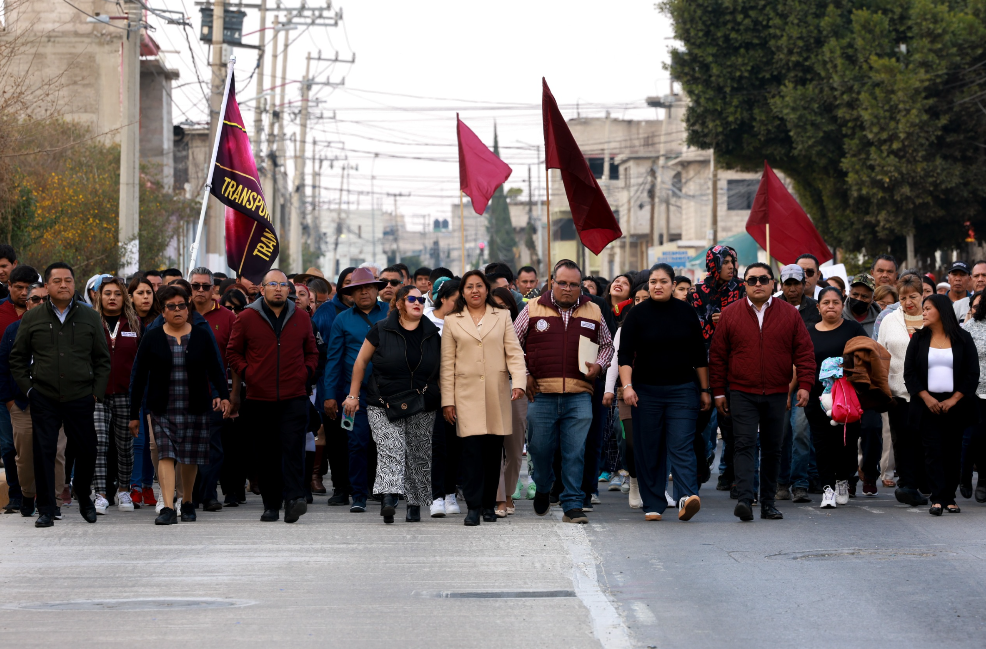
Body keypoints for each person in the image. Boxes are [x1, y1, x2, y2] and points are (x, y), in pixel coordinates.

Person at [709, 263, 815, 522]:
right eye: (752, 279)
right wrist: (719, 393)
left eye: (763, 279)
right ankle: (745, 499)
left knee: (772, 448)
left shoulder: (789, 314)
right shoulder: (731, 314)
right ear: (744, 284)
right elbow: (718, 356)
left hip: (777, 392)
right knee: (744, 444)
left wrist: (805, 385)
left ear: (772, 284)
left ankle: (768, 503)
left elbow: (804, 352)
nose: (758, 283)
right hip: (742, 391)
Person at [10, 262, 111, 528]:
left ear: (74, 284)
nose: (63, 285)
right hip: (44, 395)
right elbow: (17, 358)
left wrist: (95, 394)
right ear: (47, 286)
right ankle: (45, 508)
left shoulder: (90, 317)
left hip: (81, 396)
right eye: (57, 281)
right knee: (43, 451)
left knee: (88, 448)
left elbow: (102, 359)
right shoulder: (32, 318)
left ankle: (83, 495)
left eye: (68, 280)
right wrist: (29, 390)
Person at [515, 260, 613, 524]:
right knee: (540, 448)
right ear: (552, 282)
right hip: (542, 394)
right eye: (563, 283)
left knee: (575, 451)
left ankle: (572, 504)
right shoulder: (532, 309)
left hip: (580, 395)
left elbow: (607, 346)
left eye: (573, 284)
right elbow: (512, 345)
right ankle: (544, 487)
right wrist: (525, 376)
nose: (568, 289)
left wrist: (600, 366)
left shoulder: (593, 311)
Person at [129, 286, 230, 525]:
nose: (177, 310)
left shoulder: (201, 335)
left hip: (195, 406)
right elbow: (139, 375)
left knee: (189, 457)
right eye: (171, 307)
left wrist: (223, 395)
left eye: (182, 306)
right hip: (162, 408)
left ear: (188, 308)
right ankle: (167, 507)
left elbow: (216, 368)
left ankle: (186, 502)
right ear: (162, 311)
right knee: (165, 454)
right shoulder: (152, 337)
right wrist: (134, 413)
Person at [618, 264, 710, 521]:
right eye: (653, 281)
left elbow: (699, 355)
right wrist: (627, 387)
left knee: (681, 445)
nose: (657, 285)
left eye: (663, 281)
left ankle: (686, 497)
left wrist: (704, 389)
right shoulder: (637, 315)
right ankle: (654, 503)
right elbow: (624, 354)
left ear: (673, 284)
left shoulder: (686, 313)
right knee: (650, 448)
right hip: (645, 392)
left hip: (682, 390)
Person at [343, 285, 441, 524]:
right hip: (382, 401)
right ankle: (389, 498)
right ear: (399, 304)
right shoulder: (381, 329)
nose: (418, 302)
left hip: (421, 401)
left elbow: (441, 370)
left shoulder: (432, 333)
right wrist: (353, 396)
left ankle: (415, 505)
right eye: (411, 299)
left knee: (418, 454)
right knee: (391, 448)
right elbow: (361, 362)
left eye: (421, 299)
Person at [227, 270, 318, 523]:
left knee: (293, 449)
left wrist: (305, 373)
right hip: (259, 398)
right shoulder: (246, 317)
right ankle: (271, 504)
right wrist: (249, 374)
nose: (278, 289)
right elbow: (233, 352)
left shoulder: (301, 317)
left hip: (294, 396)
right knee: (266, 453)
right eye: (272, 285)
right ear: (262, 289)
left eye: (282, 285)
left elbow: (312, 351)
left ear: (288, 290)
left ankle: (294, 499)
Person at [441, 269, 526, 526]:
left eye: (479, 286)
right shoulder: (452, 320)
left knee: (492, 453)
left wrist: (519, 382)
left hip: (497, 392)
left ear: (487, 290)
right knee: (471, 454)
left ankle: (489, 506)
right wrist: (448, 400)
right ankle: (473, 507)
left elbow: (513, 352)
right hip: (465, 395)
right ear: (462, 292)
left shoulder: (501, 316)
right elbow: (447, 364)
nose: (475, 291)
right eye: (469, 287)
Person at [904, 294, 979, 515]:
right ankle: (937, 498)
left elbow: (972, 373)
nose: (923, 313)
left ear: (941, 311)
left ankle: (950, 497)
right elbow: (909, 374)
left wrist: (954, 399)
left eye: (927, 309)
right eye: (923, 309)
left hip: (956, 405)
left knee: (953, 451)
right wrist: (927, 398)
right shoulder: (918, 339)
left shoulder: (963, 338)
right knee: (933, 451)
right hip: (927, 405)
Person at [322, 267, 388, 513]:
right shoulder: (342, 320)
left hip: (387, 394)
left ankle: (385, 493)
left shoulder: (390, 312)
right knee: (356, 444)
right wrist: (329, 395)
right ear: (350, 293)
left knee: (385, 444)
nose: (364, 293)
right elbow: (333, 359)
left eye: (368, 288)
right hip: (354, 397)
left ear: (376, 289)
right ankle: (358, 494)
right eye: (358, 289)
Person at [2, 281, 69, 518]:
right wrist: (9, 400)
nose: (40, 303)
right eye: (35, 299)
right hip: (22, 403)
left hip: (56, 402)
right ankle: (28, 495)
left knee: (57, 453)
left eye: (45, 299)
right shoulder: (12, 330)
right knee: (26, 456)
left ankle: (54, 502)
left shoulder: (62, 328)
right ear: (27, 303)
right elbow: (4, 366)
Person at [803, 287, 868, 509]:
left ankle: (843, 480)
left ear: (843, 305)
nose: (831, 306)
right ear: (818, 306)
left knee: (847, 444)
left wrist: (843, 367)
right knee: (822, 444)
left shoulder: (853, 328)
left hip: (848, 398)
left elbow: (867, 356)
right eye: (826, 302)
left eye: (836, 302)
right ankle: (827, 489)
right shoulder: (808, 333)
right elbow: (801, 364)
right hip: (817, 397)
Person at [688, 245, 745, 492]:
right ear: (713, 265)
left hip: (733, 368)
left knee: (731, 426)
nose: (731, 267)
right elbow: (692, 327)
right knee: (695, 424)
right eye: (725, 262)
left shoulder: (742, 289)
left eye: (733, 261)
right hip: (701, 367)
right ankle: (699, 468)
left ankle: (731, 476)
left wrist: (731, 319)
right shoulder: (697, 292)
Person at [188, 267, 238, 512]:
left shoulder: (228, 317)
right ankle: (190, 495)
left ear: (213, 289)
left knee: (213, 447)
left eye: (204, 286)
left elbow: (236, 358)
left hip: (215, 395)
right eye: (195, 285)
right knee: (188, 446)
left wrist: (232, 395)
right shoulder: (178, 313)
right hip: (182, 394)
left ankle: (208, 495)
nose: (200, 290)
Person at [92, 277, 142, 514]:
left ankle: (123, 490)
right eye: (107, 293)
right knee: (99, 442)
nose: (112, 297)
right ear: (99, 297)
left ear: (125, 298)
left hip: (126, 394)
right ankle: (100, 494)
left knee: (124, 445)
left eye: (117, 294)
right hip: (97, 395)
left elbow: (142, 363)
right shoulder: (90, 323)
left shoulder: (135, 324)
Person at [878, 274, 929, 506]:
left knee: (925, 439)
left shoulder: (931, 318)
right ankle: (907, 484)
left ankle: (925, 481)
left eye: (913, 296)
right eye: (903, 297)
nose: (908, 302)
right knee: (902, 440)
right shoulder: (889, 320)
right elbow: (881, 354)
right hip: (897, 391)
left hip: (928, 392)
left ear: (923, 295)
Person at [776, 264, 820, 503]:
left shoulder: (816, 309)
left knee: (802, 432)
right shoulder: (773, 307)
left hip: (805, 379)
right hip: (778, 381)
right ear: (781, 285)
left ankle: (800, 483)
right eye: (788, 284)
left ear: (804, 284)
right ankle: (780, 482)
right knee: (780, 434)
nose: (792, 289)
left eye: (796, 283)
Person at [313, 266, 357, 506]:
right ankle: (340, 487)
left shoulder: (375, 313)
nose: (352, 287)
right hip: (333, 388)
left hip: (364, 391)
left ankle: (363, 487)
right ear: (339, 286)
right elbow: (319, 353)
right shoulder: (326, 313)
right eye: (347, 282)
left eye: (357, 283)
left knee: (361, 441)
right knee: (337, 441)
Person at [424, 278, 463, 518]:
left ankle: (450, 493)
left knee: (455, 445)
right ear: (443, 299)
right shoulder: (426, 321)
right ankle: (435, 495)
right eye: (455, 301)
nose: (460, 305)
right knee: (437, 446)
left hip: (460, 392)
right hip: (432, 393)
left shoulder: (464, 322)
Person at [0, 263, 34, 513]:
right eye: (18, 287)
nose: (23, 293)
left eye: (27, 289)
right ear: (8, 286)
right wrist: (7, 399)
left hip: (38, 395)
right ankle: (15, 495)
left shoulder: (43, 313)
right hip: (7, 394)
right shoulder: (1, 313)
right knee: (8, 446)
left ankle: (37, 494)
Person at [490, 287, 525, 517]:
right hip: (489, 391)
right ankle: (499, 498)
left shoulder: (522, 326)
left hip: (516, 390)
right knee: (494, 448)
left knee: (513, 449)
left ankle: (510, 493)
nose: (500, 309)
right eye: (495, 305)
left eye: (504, 305)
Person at [961, 293, 986, 503]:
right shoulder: (972, 327)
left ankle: (984, 481)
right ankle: (965, 476)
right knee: (972, 439)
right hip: (974, 392)